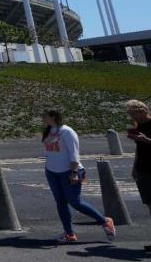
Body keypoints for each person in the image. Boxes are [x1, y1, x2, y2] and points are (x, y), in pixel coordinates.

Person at [41, 109, 116, 243]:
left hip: (69, 172)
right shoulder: (48, 131)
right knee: (61, 202)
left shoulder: (67, 131)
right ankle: (69, 233)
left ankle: (105, 221)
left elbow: (74, 154)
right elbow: (48, 152)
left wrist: (74, 172)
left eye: (45, 116)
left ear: (53, 116)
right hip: (52, 172)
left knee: (75, 202)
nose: (42, 118)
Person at [125, 99, 151, 252]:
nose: (132, 118)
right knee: (149, 204)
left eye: (133, 114)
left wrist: (146, 140)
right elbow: (138, 149)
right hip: (142, 167)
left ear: (141, 111)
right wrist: (134, 167)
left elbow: (145, 142)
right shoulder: (138, 125)